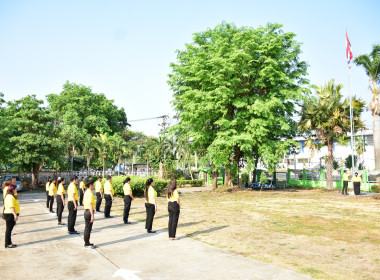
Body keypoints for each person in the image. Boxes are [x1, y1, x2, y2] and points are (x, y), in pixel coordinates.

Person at [83, 179, 96, 249]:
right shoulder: (90, 193)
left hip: (86, 211)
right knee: (88, 228)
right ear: (90, 185)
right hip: (89, 212)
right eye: (93, 184)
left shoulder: (87, 192)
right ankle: (87, 243)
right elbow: (90, 205)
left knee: (87, 228)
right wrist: (92, 215)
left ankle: (87, 242)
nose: (94, 185)